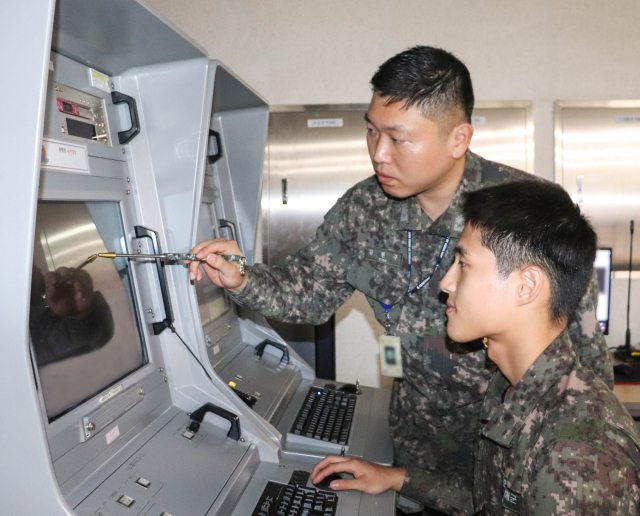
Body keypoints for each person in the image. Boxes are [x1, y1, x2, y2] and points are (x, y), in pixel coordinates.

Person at [188, 47, 613, 515]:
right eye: (371, 131)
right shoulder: (363, 209)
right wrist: (240, 276)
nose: (378, 153)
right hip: (416, 456)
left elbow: (580, 354)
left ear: (458, 139)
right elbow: (305, 296)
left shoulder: (518, 213)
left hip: (508, 459)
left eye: (397, 138)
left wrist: (580, 451)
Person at [311, 181, 640, 514]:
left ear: (526, 286)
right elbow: (493, 498)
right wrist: (396, 478)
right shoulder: (509, 382)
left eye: (464, 265)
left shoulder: (578, 455)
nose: (445, 283)